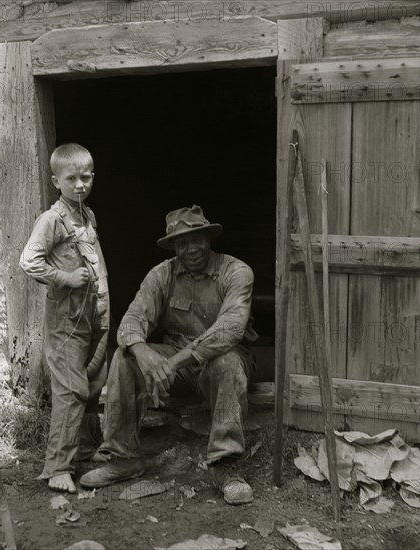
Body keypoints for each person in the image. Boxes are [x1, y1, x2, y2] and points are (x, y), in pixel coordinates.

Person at [80, 205, 258, 505]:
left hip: (221, 359)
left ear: (208, 238)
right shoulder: (162, 274)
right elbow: (131, 322)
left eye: (196, 239)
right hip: (174, 358)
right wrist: (144, 353)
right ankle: (123, 458)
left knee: (226, 363)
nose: (191, 248)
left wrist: (171, 364)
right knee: (125, 358)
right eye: (182, 242)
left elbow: (229, 331)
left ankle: (226, 468)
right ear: (174, 246)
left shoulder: (236, 271)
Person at [20, 143, 109, 494]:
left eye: (85, 177)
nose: (80, 185)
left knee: (93, 384)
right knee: (71, 390)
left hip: (96, 314)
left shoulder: (87, 216)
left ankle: (84, 447)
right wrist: (65, 278)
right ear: (56, 180)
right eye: (71, 178)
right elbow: (29, 261)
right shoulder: (51, 219)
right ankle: (57, 467)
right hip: (66, 320)